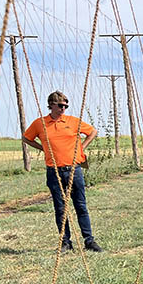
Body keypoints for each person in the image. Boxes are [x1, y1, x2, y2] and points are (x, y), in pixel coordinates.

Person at [22, 91, 103, 253]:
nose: (63, 108)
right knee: (60, 208)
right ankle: (65, 242)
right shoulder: (40, 123)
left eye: (66, 106)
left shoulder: (73, 121)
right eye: (60, 105)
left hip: (74, 169)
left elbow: (92, 132)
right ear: (51, 104)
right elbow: (26, 138)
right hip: (54, 171)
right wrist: (44, 148)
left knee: (81, 205)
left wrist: (82, 147)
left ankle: (89, 240)